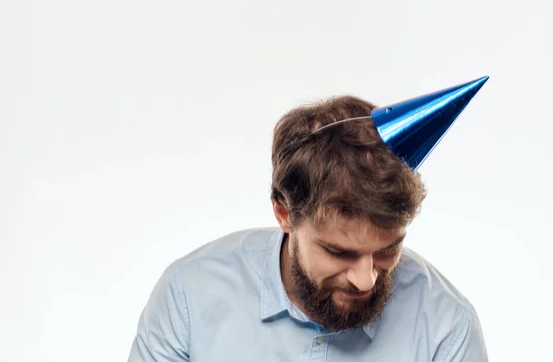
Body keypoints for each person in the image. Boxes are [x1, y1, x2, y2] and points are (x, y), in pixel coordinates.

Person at [128, 91, 488, 361]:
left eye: (386, 250)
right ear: (284, 212)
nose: (365, 279)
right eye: (338, 251)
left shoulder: (447, 327)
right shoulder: (189, 295)